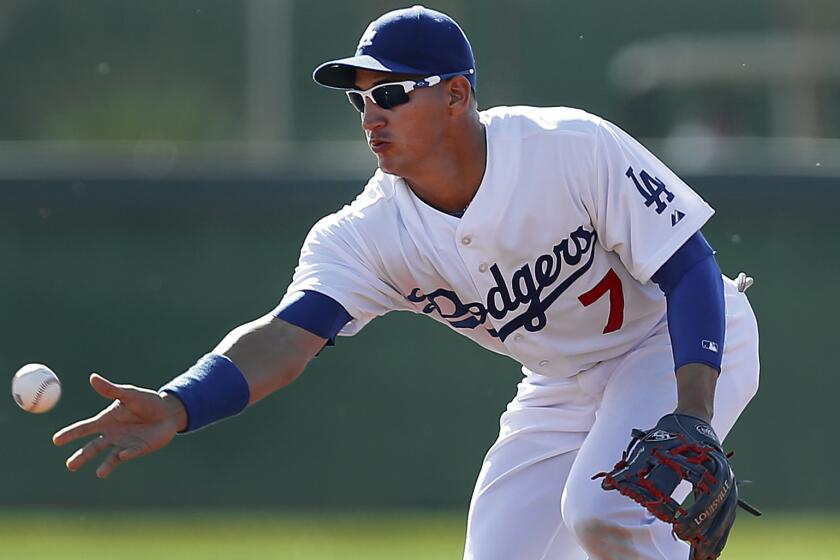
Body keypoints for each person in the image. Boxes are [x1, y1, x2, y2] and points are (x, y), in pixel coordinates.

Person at [53, 6, 760, 559]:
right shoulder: (367, 234)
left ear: (457, 96)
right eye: (360, 99)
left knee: (601, 515)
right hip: (562, 383)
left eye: (390, 92)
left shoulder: (566, 147)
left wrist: (691, 412)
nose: (373, 114)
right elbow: (283, 340)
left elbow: (688, 265)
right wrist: (181, 403)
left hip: (674, 343)